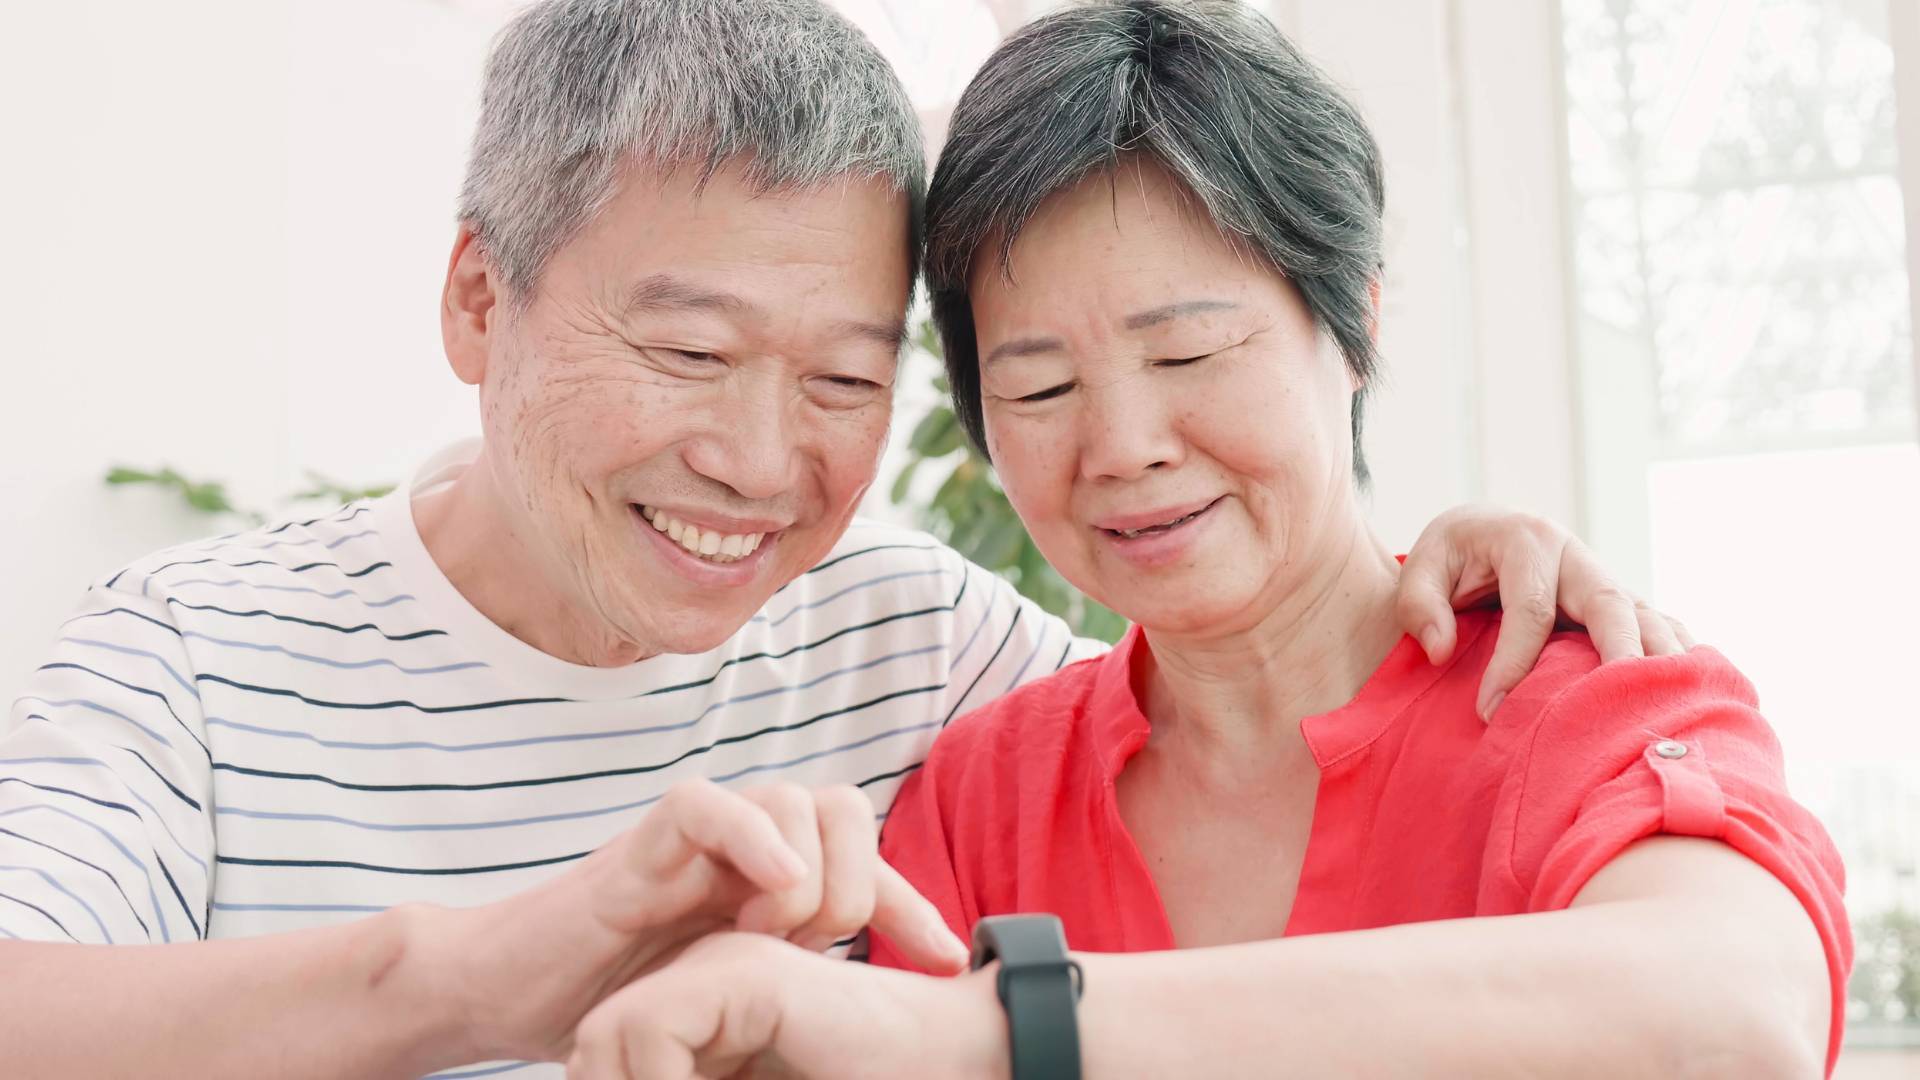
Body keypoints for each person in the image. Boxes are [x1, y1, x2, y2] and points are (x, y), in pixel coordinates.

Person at [1, 2, 1691, 1077]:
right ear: (477, 300)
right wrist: (496, 976)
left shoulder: (928, 650)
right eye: (686, 352)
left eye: (842, 379)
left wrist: (1447, 554)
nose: (756, 464)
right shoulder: (192, 653)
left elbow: (1247, 689)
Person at [558, 3, 1847, 1079]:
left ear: (1354, 327)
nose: (1123, 447)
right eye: (1040, 387)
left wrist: (996, 1031)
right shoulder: (981, 793)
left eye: (1189, 353)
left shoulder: (1581, 694)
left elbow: (1736, 1015)